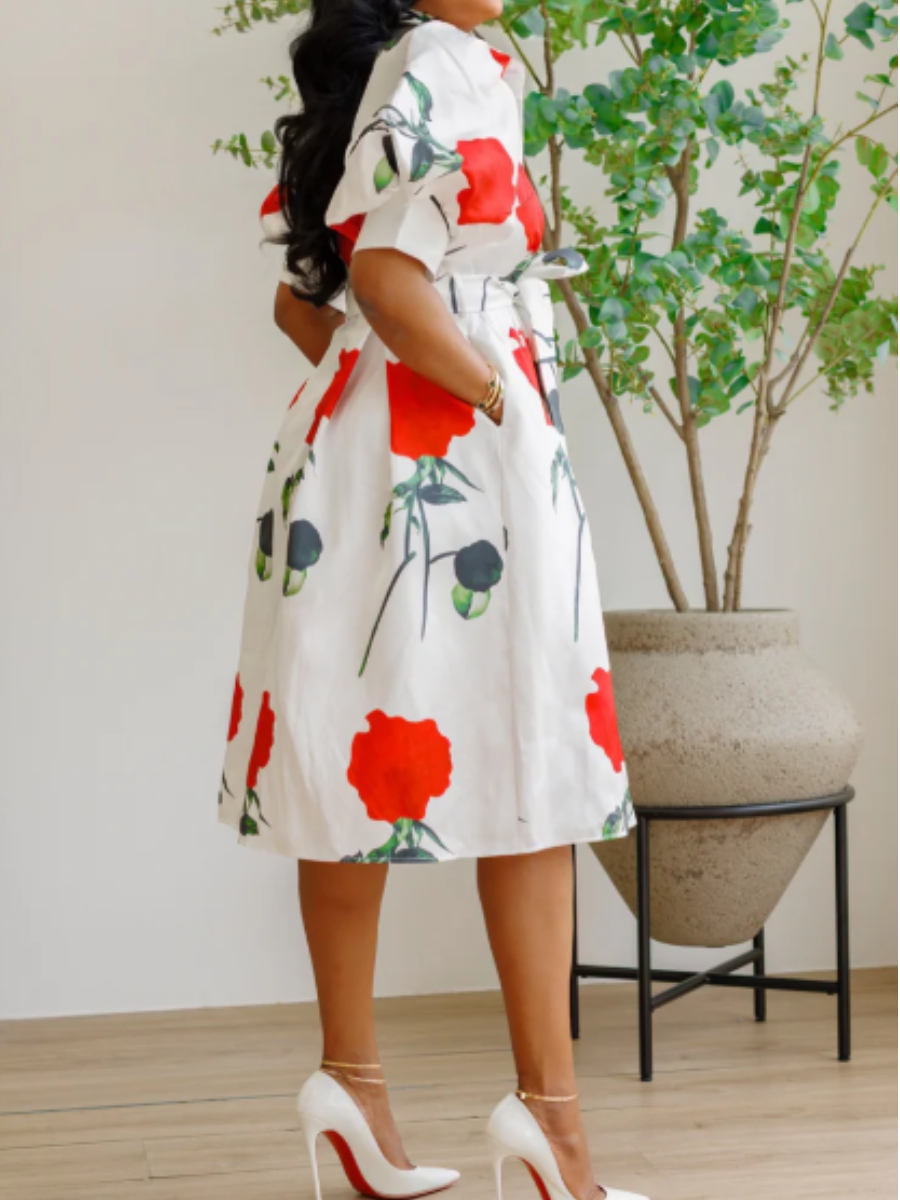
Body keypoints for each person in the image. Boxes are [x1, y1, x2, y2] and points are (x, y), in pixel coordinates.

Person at [218, 3, 644, 1198]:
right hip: (462, 447)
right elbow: (387, 280)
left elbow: (308, 302)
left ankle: (352, 1086)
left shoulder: (393, 72)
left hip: (360, 460)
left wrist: (372, 403)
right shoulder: (448, 65)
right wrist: (501, 402)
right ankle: (553, 1130)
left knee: (352, 751)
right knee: (532, 757)